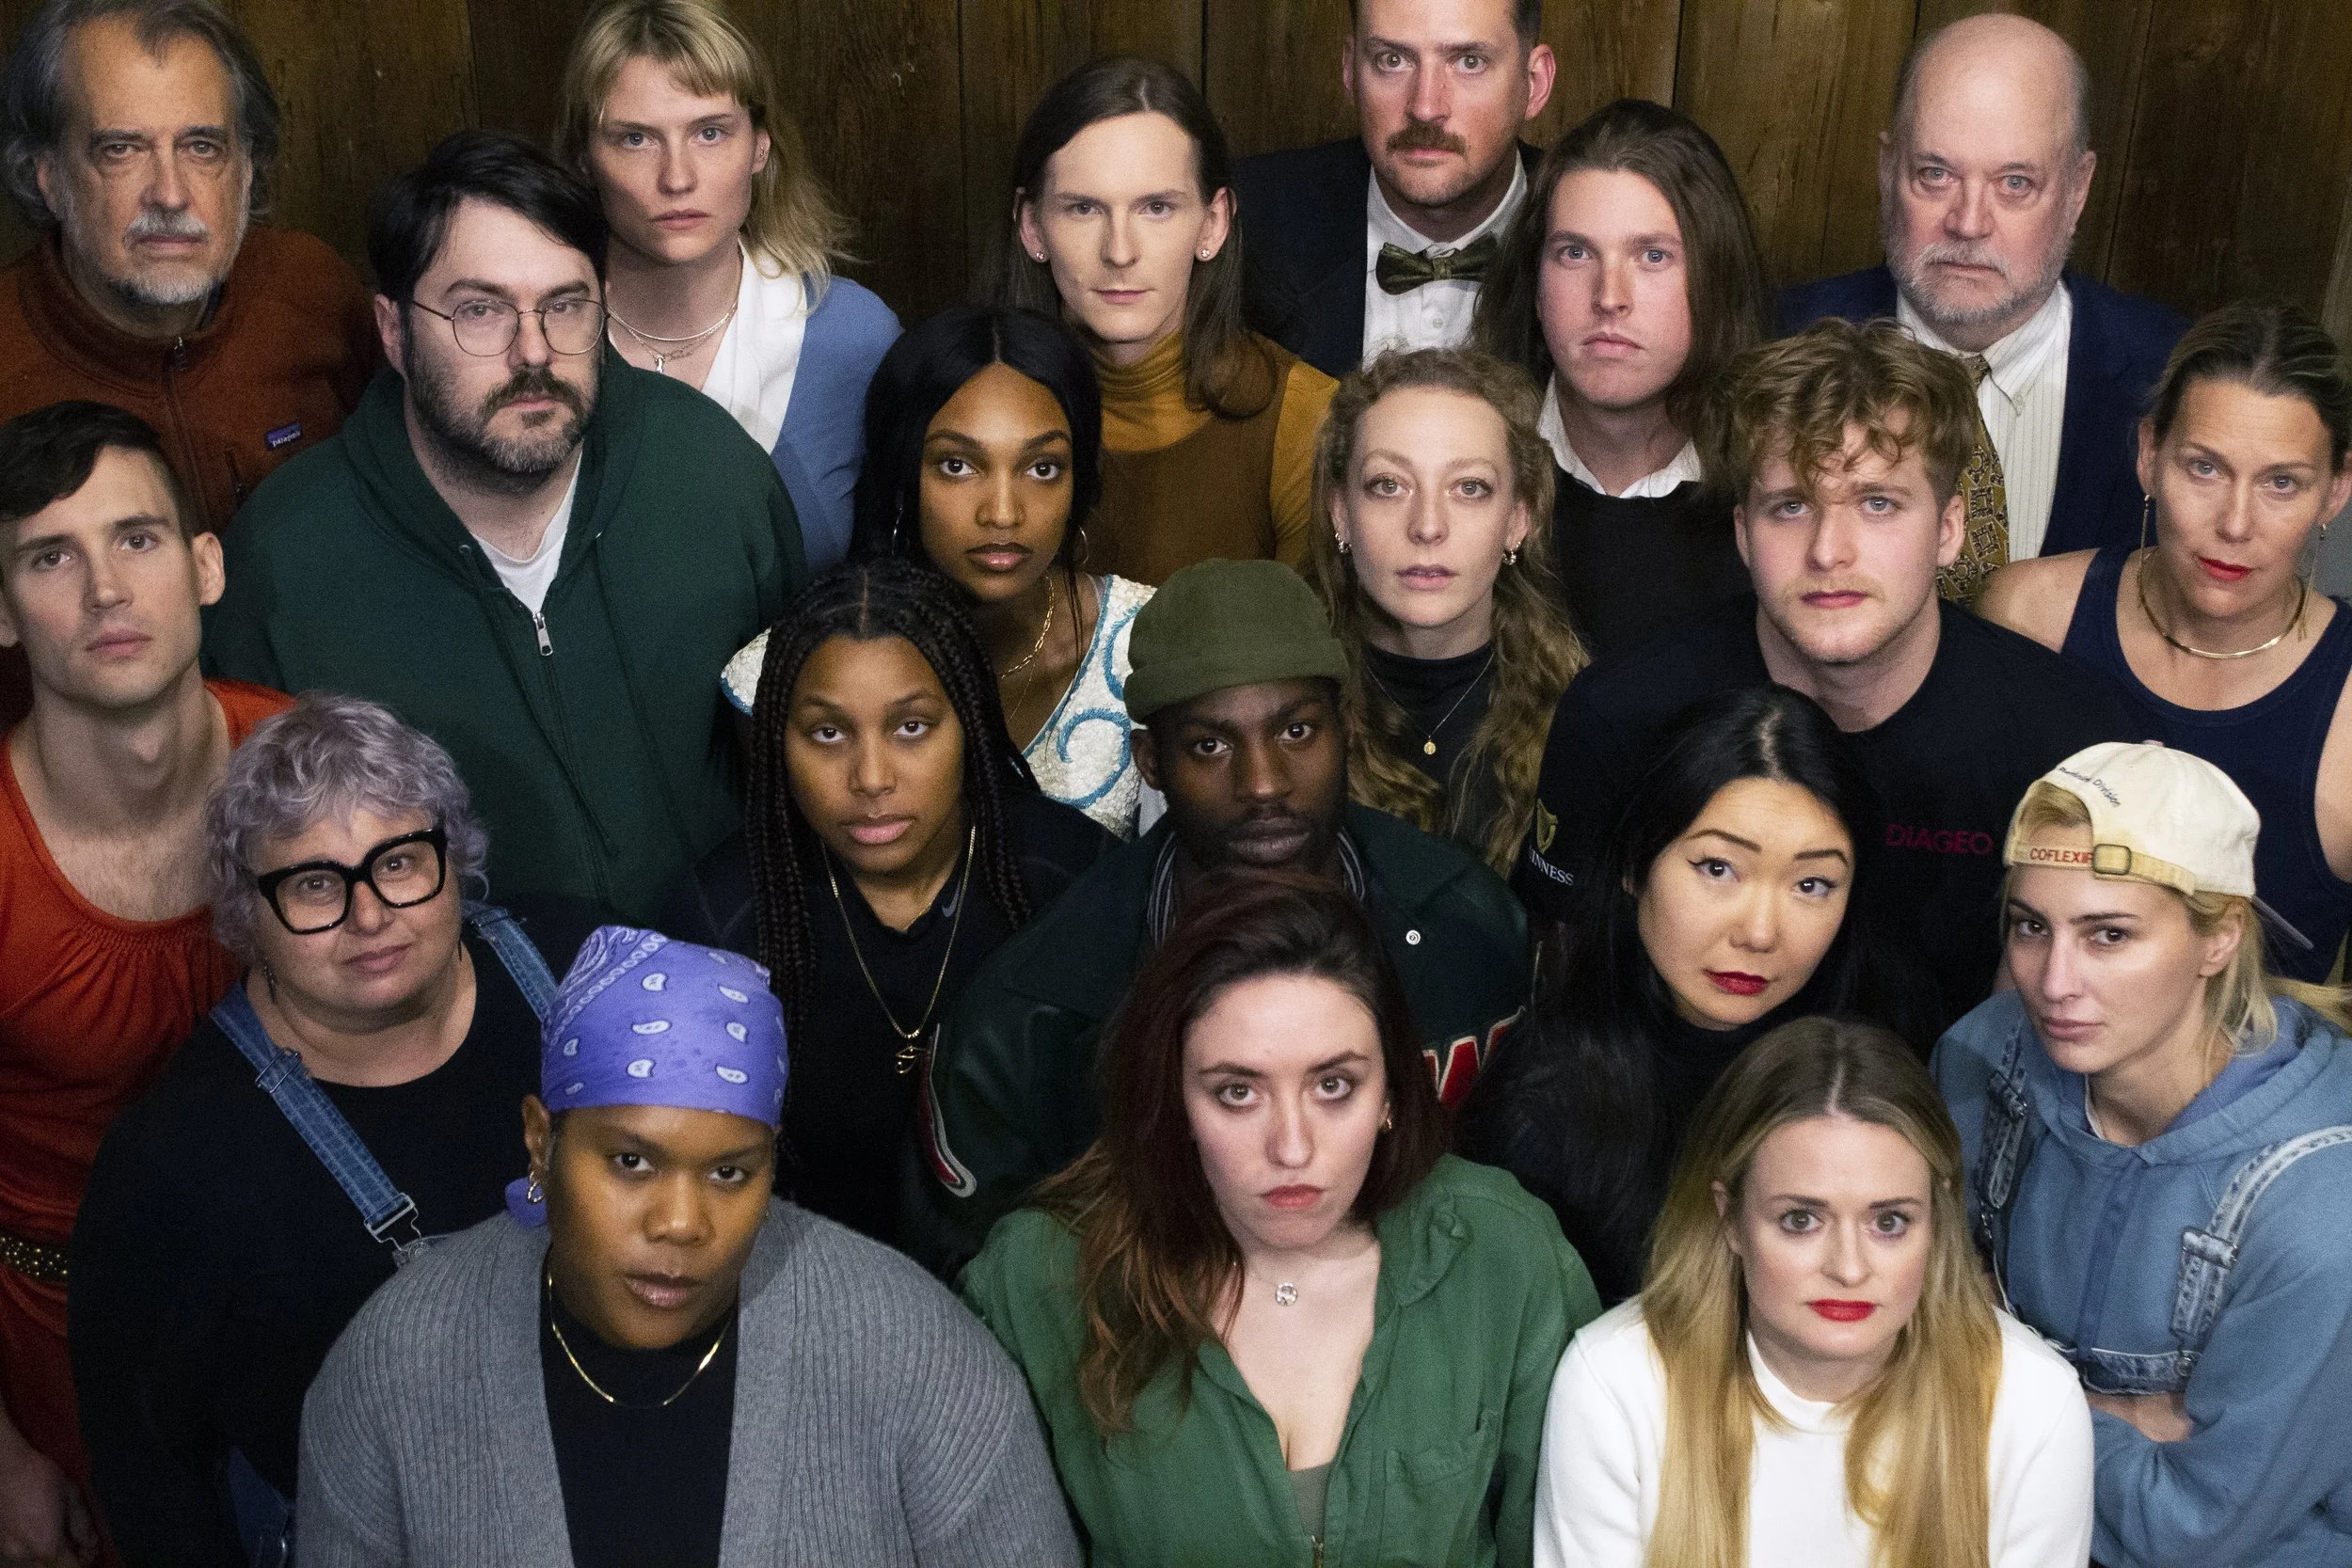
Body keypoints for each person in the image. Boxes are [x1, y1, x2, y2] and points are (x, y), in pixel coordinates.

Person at [294, 923, 1081, 1567]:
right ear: (541, 1143)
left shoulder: (920, 1360)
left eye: (731, 1172)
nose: (682, 1223)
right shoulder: (394, 1368)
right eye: (631, 1161)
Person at [204, 130, 805, 925]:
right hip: (454, 1019)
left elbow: (802, 743)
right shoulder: (284, 559)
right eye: (480, 311)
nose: (534, 353)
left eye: (564, 306)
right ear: (392, 332)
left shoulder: (711, 473)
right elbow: (263, 874)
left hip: (731, 980)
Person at [70, 694, 597, 1568]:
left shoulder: (584, 969)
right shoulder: (176, 1164)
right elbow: (149, 1469)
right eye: (314, 884)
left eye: (398, 861)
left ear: (454, 857)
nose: (369, 915)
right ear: (247, 915)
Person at [912, 557, 1531, 1274]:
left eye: (1297, 732)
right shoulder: (1034, 1012)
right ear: (1149, 759)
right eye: (1210, 745)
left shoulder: (1473, 928)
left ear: (1348, 728)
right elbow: (971, 1282)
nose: (1263, 783)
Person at [1517, 319, 2137, 1033]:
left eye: (1878, 503)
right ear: (1744, 533)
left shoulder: (2070, 744)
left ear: (1948, 529)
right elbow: (1561, 976)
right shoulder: (1621, 716)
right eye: (1791, 506)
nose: (1829, 551)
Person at [966, 869, 1599, 1566]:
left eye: (1334, 1085)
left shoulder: (1504, 1253)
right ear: (1173, 1098)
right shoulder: (1039, 1280)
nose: (1292, 1147)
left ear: (1391, 1088)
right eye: (1238, 1091)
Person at [1936, 741, 2352, 1566]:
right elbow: (1915, 1312)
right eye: (2031, 926)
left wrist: (1979, 1367)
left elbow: (2192, 1528)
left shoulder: (2319, 1209)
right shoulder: (1987, 1056)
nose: (2053, 982)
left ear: (2219, 939)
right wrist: (2123, 1414)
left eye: (2109, 934)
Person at [0, 400, 288, 1568]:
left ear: (205, 564)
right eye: (49, 556)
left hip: (298, 1290)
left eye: (138, 538)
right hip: (62, 1339)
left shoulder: (311, 772)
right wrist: (3, 1452)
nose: (106, 589)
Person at [1537, 1015, 2094, 1567]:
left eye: (1890, 1222)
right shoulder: (1615, 1384)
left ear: (1937, 1218)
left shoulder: (2031, 1401)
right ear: (1729, 1219)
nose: (1849, 1270)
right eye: (1800, 1221)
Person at [668, 560, 1114, 1246]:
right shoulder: (721, 921)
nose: (870, 778)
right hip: (809, 1281)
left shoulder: (1072, 879)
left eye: (911, 728)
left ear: (966, 723)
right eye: (827, 733)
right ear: (777, 744)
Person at [1463, 686, 1931, 1304]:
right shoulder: (1538, 1099)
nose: (1760, 931)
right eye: (1718, 868)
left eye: (1813, 883)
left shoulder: (1898, 1033)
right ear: (1635, 863)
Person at [0, 0, 376, 727]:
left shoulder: (314, 295)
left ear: (247, 167)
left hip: (323, 765)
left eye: (202, 146)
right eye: (121, 149)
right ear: (47, 175)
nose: (170, 194)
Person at [1981, 302, 2352, 983]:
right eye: (2204, 468)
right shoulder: (2029, 613)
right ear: (2150, 456)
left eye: (2282, 483)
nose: (2235, 523)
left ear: (2336, 490)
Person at [1780, 13, 2185, 597]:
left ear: (2078, 190)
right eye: (1936, 174)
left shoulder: (2170, 375)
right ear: (1888, 168)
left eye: (2015, 183)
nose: (1968, 223)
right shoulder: (1774, 341)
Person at [731, 305, 1159, 836]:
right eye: (957, 465)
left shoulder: (1146, 643)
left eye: (1041, 468)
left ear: (1079, 482)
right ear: (901, 474)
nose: (1002, 513)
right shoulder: (786, 674)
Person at [555, 0, 898, 572]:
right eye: (636, 139)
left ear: (760, 147)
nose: (678, 177)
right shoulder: (536, 338)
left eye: (710, 133)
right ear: (585, 158)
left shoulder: (851, 336)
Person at [1001, 56, 1336, 583]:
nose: (1120, 251)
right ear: (1032, 227)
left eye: (1156, 208)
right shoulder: (970, 403)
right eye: (1083, 209)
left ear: (1213, 223)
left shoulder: (1303, 418)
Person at [1472, 98, 1770, 657]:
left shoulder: (1777, 488)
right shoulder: (1466, 474)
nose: (1610, 298)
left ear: (1715, 278)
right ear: (1535, 284)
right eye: (1576, 253)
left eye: (1653, 256)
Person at [1305, 346, 1584, 874]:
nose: (1428, 526)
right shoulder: (1283, 704)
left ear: (1517, 520)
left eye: (1469, 488)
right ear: (1340, 512)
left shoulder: (1581, 715)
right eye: (1389, 486)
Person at [1231, 0, 1553, 377]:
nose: (1425, 107)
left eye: (1469, 62)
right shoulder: (1245, 220)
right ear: (1351, 69)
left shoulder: (1599, 243)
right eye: (1392, 60)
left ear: (1534, 83)